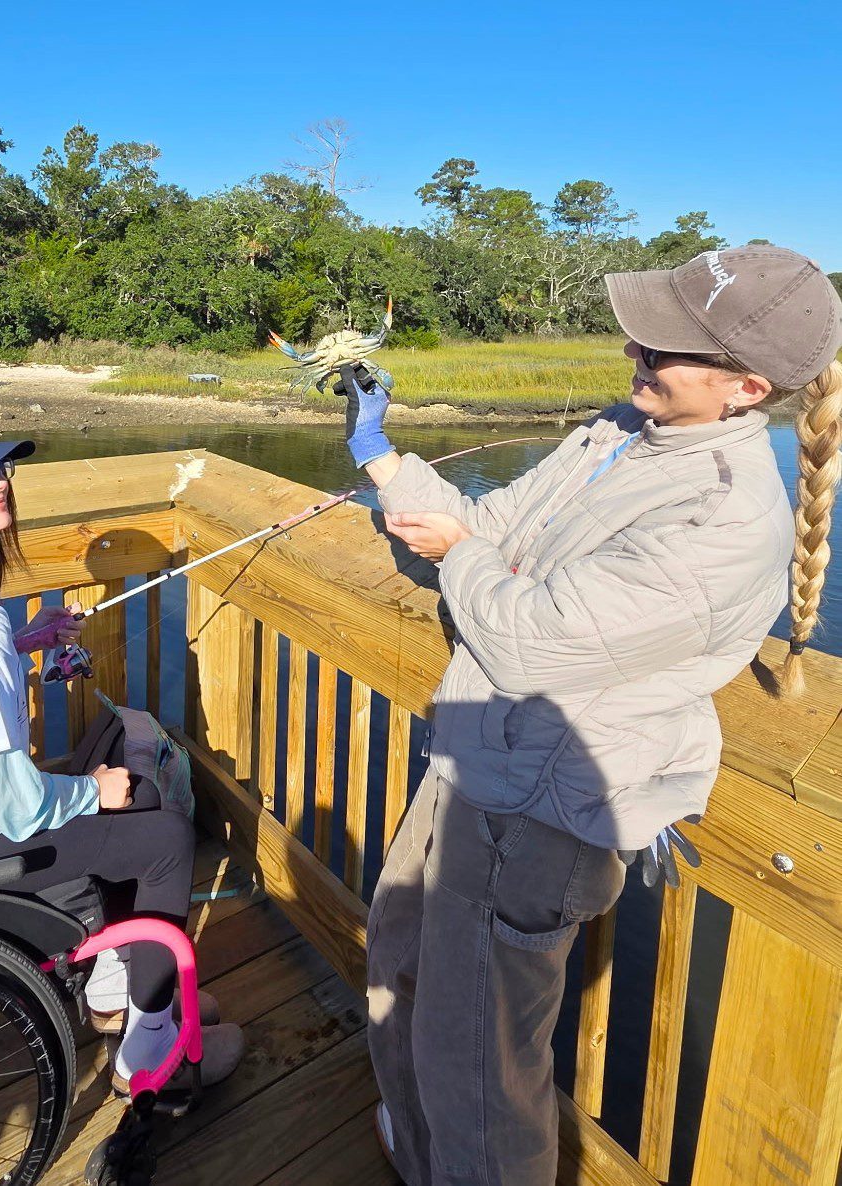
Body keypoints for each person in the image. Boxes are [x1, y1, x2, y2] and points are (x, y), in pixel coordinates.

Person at [351, 245, 842, 1184]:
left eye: (662, 350)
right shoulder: (617, 432)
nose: (635, 352)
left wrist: (460, 557)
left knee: (482, 1062)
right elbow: (485, 539)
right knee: (401, 970)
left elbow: (530, 639)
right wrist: (385, 462)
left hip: (538, 815)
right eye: (642, 332)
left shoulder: (724, 517)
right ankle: (419, 1155)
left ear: (745, 387)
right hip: (468, 764)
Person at [0, 414, 245, 1096]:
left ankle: (112, 987)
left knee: (110, 744)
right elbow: (5, 800)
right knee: (160, 835)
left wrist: (20, 643)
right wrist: (91, 794)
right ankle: (152, 1054)